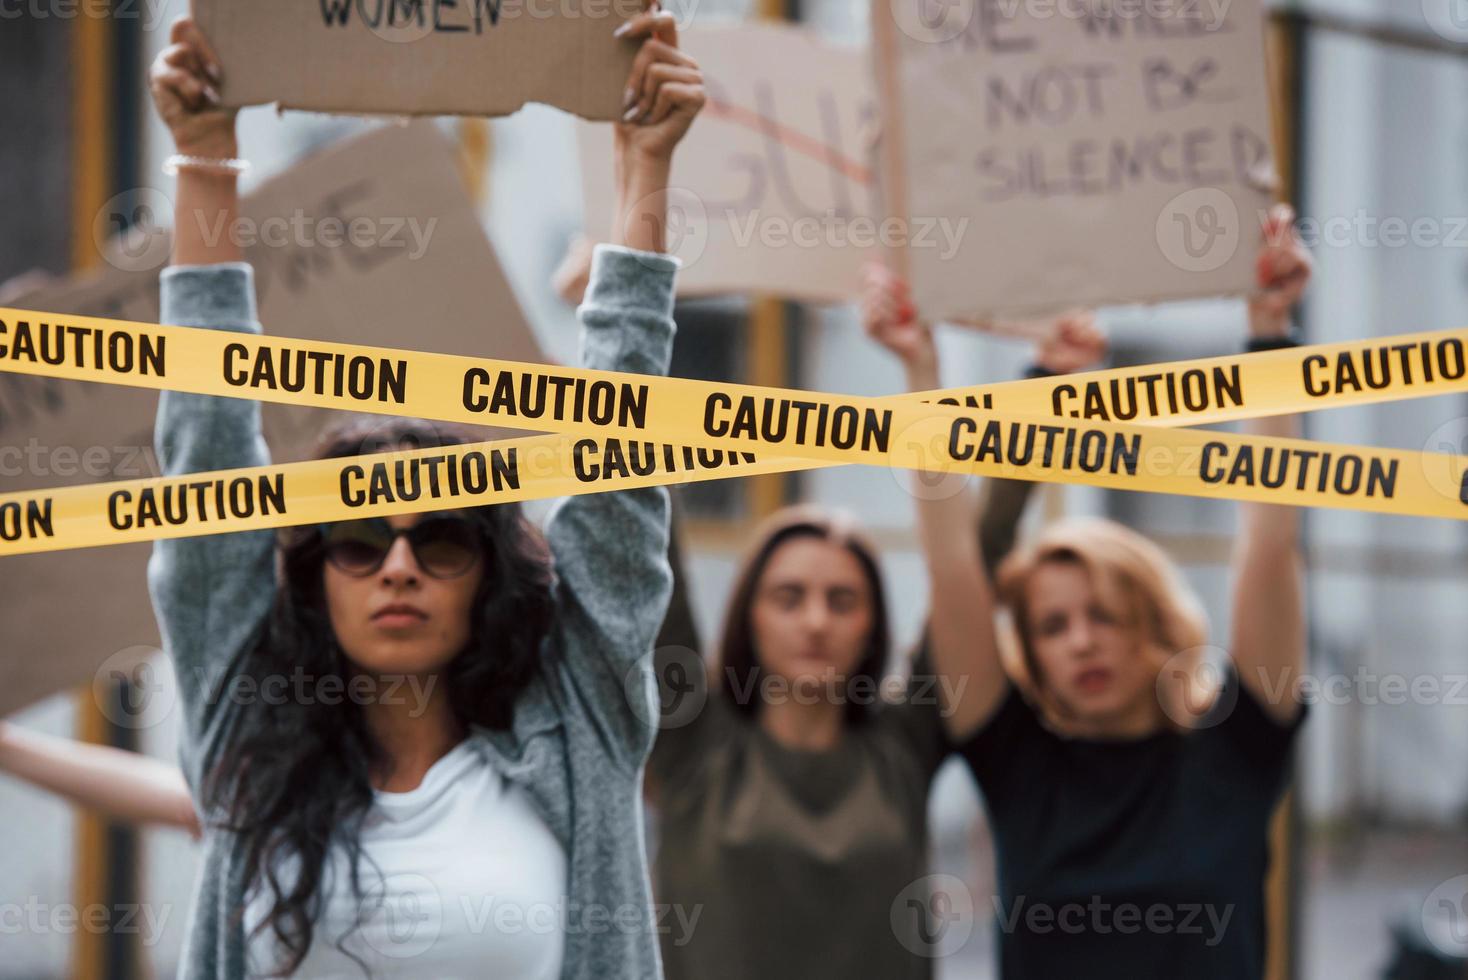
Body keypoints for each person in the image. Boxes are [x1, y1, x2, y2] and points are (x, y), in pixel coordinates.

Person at [144, 7, 703, 978]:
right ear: (316, 574)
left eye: (441, 537)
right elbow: (205, 465)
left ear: (487, 573)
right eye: (358, 538)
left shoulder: (575, 727)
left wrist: (642, 173)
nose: (397, 565)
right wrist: (203, 160)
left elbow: (617, 482)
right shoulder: (250, 731)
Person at [864, 204, 1313, 980]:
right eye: (1052, 625)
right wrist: (920, 375)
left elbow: (1269, 547)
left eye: (1105, 613)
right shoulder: (1016, 762)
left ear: (1157, 622)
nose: (1080, 639)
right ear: (1030, 651)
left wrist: (1269, 330)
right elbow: (955, 574)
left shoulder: (1236, 751)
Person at [642, 315, 1107, 980]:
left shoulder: (905, 742)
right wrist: (624, 314)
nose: (815, 621)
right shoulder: (694, 740)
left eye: (842, 600)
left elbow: (973, 564)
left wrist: (1049, 388)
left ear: (872, 625)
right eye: (788, 596)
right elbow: (647, 538)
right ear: (750, 615)